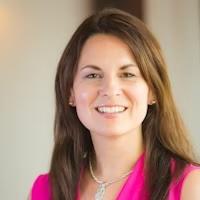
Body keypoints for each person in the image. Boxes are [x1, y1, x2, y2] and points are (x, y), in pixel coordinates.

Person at [30, 8, 200, 200]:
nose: (110, 89)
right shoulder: (45, 190)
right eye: (93, 75)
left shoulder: (190, 187)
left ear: (152, 91)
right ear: (71, 93)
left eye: (127, 74)